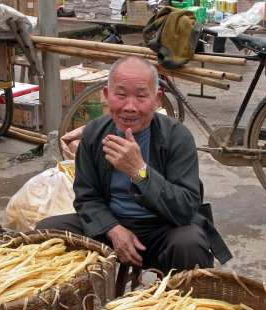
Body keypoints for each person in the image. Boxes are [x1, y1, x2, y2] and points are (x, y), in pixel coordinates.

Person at [37, 56, 232, 271]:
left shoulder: (177, 137)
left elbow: (186, 207)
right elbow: (86, 197)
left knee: (190, 243)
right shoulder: (94, 134)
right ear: (106, 95)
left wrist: (140, 172)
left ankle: (181, 302)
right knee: (46, 232)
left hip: (164, 226)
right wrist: (112, 227)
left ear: (157, 99)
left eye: (141, 96)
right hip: (112, 223)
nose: (130, 107)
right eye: (120, 95)